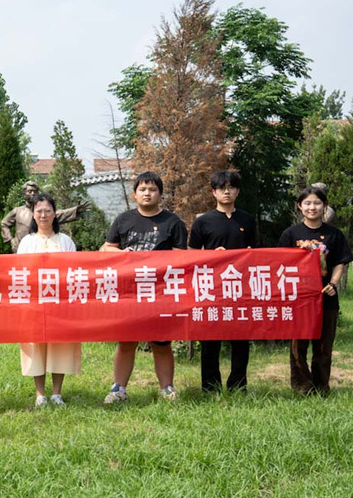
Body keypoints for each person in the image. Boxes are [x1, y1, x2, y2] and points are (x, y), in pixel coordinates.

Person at [101, 171, 188, 403]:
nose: (147, 193)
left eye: (152, 189)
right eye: (142, 189)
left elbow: (181, 256)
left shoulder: (173, 222)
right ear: (135, 194)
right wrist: (122, 254)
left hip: (160, 291)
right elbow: (107, 248)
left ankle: (167, 389)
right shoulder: (123, 220)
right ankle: (118, 389)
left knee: (161, 342)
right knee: (126, 341)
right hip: (129, 291)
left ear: (160, 194)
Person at [278, 186, 353, 396]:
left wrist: (333, 283)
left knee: (323, 346)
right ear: (300, 206)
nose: (312, 207)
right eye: (308, 203)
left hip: (326, 297)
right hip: (299, 299)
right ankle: (302, 386)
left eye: (317, 203)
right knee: (298, 346)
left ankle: (321, 387)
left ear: (324, 206)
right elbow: (279, 262)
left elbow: (340, 262)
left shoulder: (334, 234)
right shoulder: (290, 234)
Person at [189, 171, 257, 392]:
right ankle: (210, 386)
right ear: (213, 192)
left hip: (240, 286)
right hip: (212, 287)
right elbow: (192, 254)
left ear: (238, 191)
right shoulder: (203, 222)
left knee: (241, 339)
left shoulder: (247, 219)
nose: (226, 192)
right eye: (221, 188)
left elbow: (256, 252)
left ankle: (238, 385)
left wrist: (249, 254)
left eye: (231, 187)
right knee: (210, 338)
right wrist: (211, 255)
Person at [16, 193, 80, 407]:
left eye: (47, 211)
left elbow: (74, 272)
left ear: (55, 213)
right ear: (33, 214)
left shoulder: (66, 241)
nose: (43, 215)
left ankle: (56, 393)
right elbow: (20, 273)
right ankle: (40, 394)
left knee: (60, 346)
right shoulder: (27, 242)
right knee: (36, 346)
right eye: (39, 211)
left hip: (60, 303)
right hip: (34, 303)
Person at [0, 181, 89, 252]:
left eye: (35, 191)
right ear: (24, 194)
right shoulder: (17, 211)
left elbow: (62, 214)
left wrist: (76, 210)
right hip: (22, 249)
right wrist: (10, 240)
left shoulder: (65, 241)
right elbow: (4, 223)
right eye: (29, 191)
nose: (43, 215)